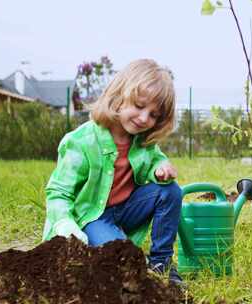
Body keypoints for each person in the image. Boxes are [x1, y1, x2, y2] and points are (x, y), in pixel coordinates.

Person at [42, 59, 185, 286]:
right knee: (124, 261)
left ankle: (161, 262)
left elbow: (156, 159)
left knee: (170, 191)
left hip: (127, 210)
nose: (144, 118)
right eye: (139, 106)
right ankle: (139, 264)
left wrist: (161, 168)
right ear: (118, 95)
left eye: (154, 115)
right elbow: (58, 192)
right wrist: (64, 223)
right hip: (93, 217)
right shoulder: (82, 142)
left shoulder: (142, 141)